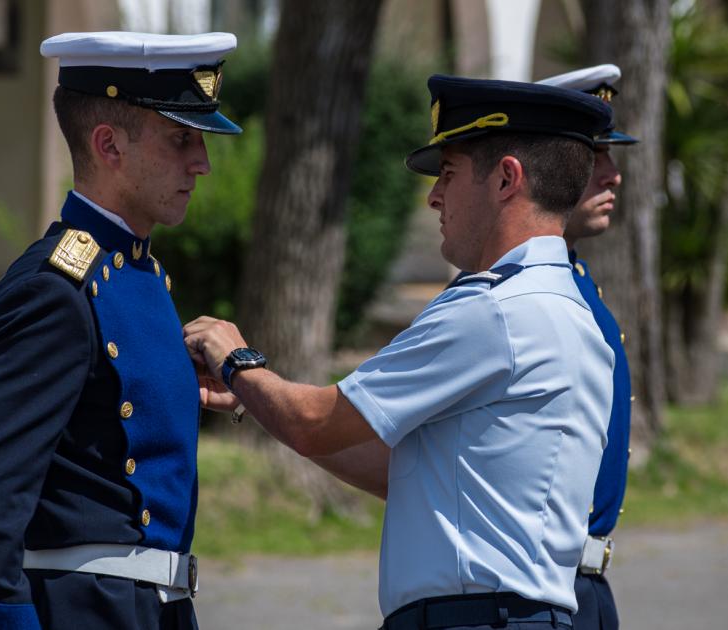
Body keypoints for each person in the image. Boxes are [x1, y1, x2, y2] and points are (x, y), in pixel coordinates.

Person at [184, 75, 615, 630]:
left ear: (507, 179)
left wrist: (234, 356)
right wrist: (253, 399)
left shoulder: (492, 310)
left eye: (449, 174)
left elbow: (316, 423)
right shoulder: (569, 308)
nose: (434, 196)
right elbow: (403, 471)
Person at [0, 31, 242, 630]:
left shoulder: (136, 273)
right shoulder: (55, 288)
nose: (201, 161)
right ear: (108, 145)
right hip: (86, 611)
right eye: (181, 138)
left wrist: (178, 378)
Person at [537, 64, 638, 630]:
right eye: (596, 157)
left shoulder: (578, 279)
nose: (614, 176)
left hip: (587, 588)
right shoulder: (520, 296)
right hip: (545, 588)